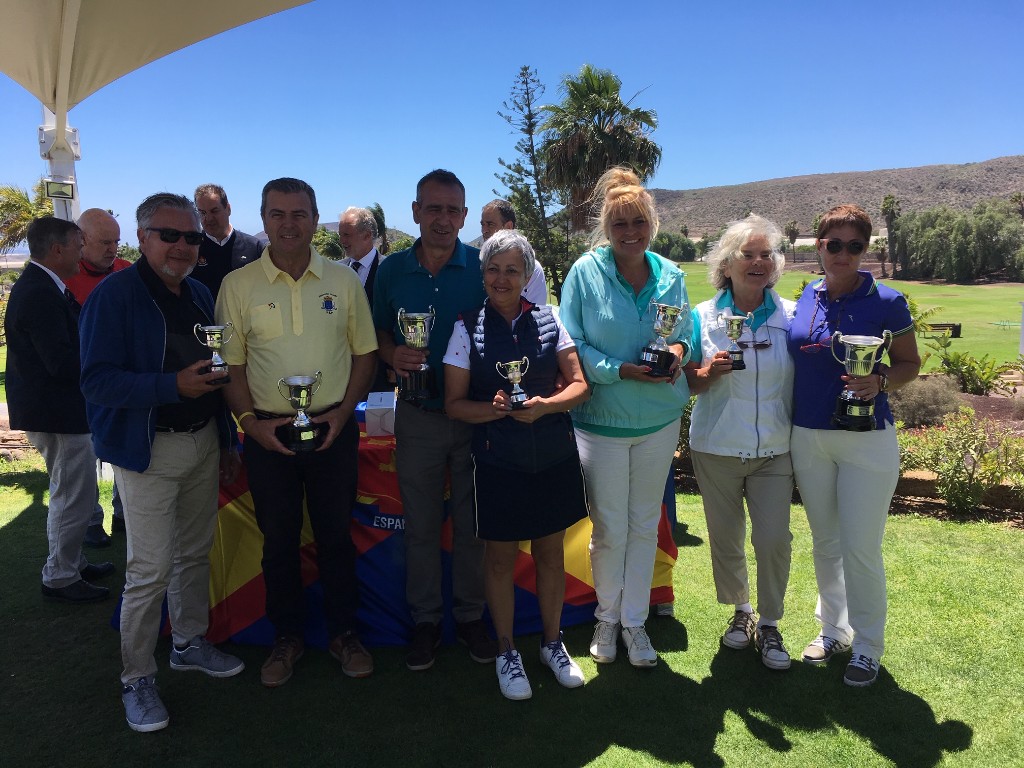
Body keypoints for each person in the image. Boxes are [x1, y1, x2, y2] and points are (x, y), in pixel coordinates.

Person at [80, 193, 245, 733]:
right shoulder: (114, 296)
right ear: (142, 236)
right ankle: (136, 677)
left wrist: (225, 440)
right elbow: (97, 381)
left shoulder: (199, 293)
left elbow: (217, 377)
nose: (181, 246)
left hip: (201, 442)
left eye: (191, 237)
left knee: (194, 554)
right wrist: (170, 385)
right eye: (169, 235)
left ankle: (188, 642)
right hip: (146, 450)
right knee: (148, 571)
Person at [218, 177, 378, 687]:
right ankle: (287, 637)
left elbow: (365, 355)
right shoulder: (237, 285)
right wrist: (250, 427)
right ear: (263, 219)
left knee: (335, 537)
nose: (289, 224)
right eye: (278, 214)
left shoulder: (344, 280)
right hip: (268, 437)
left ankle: (343, 633)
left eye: (299, 214)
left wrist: (344, 412)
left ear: (315, 219)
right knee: (279, 541)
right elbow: (233, 367)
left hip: (333, 428)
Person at [443, 230, 590, 700]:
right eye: (493, 268)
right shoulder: (467, 326)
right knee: (501, 559)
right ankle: (507, 651)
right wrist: (497, 409)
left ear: (527, 277)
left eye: (512, 270)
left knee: (550, 554)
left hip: (552, 457)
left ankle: (552, 643)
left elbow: (580, 386)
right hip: (498, 462)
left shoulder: (551, 320)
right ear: (482, 273)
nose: (502, 278)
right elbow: (454, 405)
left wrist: (545, 406)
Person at [559, 166, 693, 668]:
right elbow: (570, 343)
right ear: (606, 228)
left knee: (644, 526)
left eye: (639, 222)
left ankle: (635, 623)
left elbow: (685, 334)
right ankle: (607, 617)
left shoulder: (671, 274)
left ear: (651, 223)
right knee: (610, 527)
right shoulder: (584, 273)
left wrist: (676, 351)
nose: (631, 233)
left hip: (658, 420)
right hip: (603, 422)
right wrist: (621, 370)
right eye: (620, 225)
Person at [787, 203, 921, 687]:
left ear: (865, 250)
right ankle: (832, 630)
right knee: (825, 543)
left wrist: (880, 382)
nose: (842, 254)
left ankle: (867, 644)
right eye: (833, 244)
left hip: (867, 440)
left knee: (861, 547)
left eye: (854, 246)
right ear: (819, 245)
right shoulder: (806, 296)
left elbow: (910, 364)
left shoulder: (887, 301)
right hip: (809, 435)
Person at [372, 169, 497, 671]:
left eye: (453, 210)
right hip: (418, 414)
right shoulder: (391, 270)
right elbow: (377, 332)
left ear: (465, 217)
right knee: (420, 527)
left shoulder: (483, 268)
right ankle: (425, 621)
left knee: (472, 527)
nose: (443, 219)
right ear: (416, 211)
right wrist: (392, 354)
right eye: (433, 208)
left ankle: (469, 617)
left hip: (474, 417)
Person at [684, 215, 796, 670]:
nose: (757, 262)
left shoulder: (791, 316)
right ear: (725, 265)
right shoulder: (701, 317)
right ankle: (742, 613)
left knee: (774, 539)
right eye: (746, 255)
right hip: (716, 448)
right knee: (726, 540)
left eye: (765, 254)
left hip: (775, 449)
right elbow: (686, 381)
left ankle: (770, 622)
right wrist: (705, 374)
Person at [6, 216, 113, 603]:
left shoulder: (45, 286)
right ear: (57, 250)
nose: (82, 252)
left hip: (56, 410)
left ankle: (72, 561)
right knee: (73, 495)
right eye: (77, 246)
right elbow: (61, 363)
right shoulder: (38, 292)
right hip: (57, 413)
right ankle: (61, 576)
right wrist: (106, 370)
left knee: (72, 492)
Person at [66, 207, 131, 546]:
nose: (113, 249)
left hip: (121, 383)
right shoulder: (65, 275)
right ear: (82, 240)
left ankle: (124, 515)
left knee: (122, 447)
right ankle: (91, 521)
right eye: (105, 242)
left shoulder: (126, 271)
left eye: (116, 241)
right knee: (84, 457)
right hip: (79, 382)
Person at [339, 206, 392, 392]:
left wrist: (392, 364)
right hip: (340, 372)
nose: (341, 241)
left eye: (347, 235)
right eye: (341, 234)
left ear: (367, 235)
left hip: (378, 373)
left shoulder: (389, 270)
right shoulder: (336, 272)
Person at [192, 184, 265, 298]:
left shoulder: (255, 247)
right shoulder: (191, 246)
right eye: (202, 213)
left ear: (228, 209)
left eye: (214, 211)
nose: (209, 219)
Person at [480, 198, 547, 304]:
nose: (484, 230)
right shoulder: (478, 261)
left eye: (490, 224)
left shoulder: (532, 268)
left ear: (508, 226)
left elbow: (535, 311)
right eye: (482, 224)